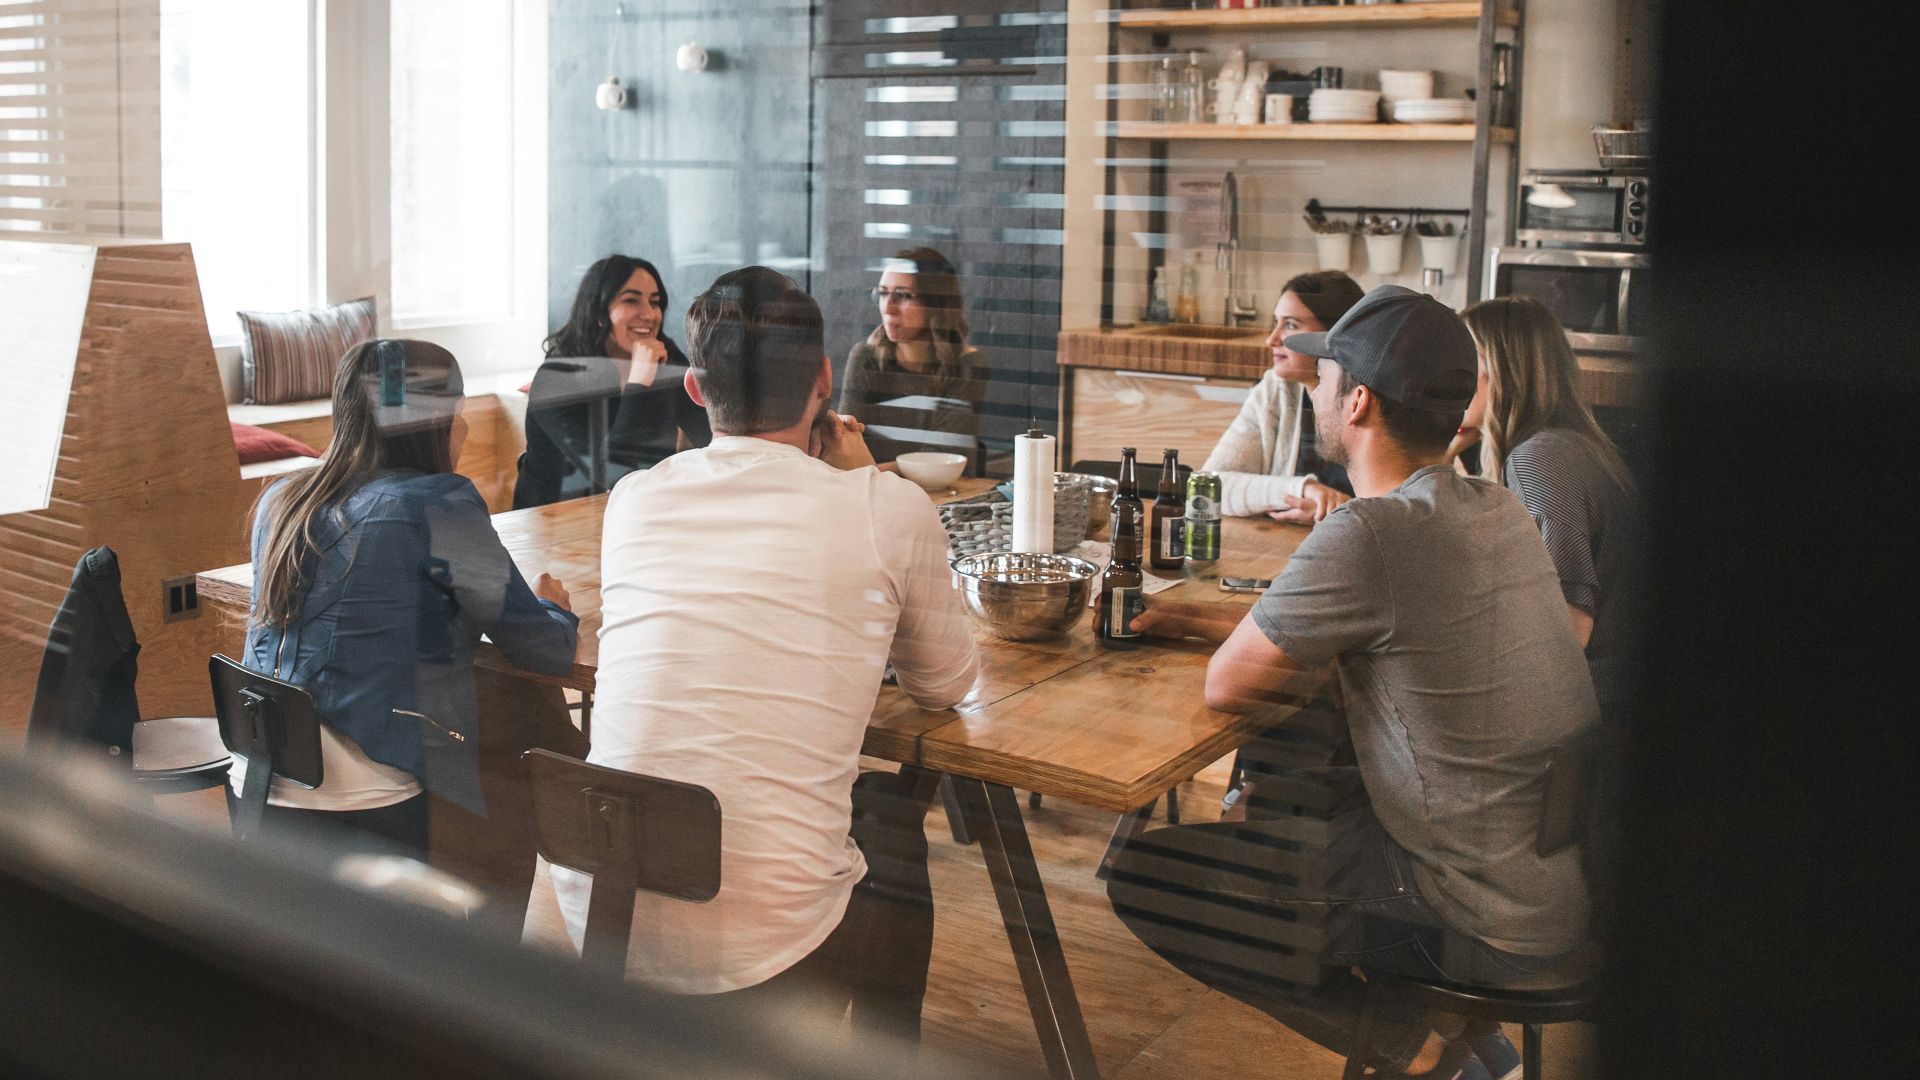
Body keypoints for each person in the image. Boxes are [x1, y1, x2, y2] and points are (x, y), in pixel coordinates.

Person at [1108, 286, 1600, 1080]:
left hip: (1468, 911)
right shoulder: (1492, 507)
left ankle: (1420, 1048)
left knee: (1152, 880)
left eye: (1330, 373)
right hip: (1548, 882)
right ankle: (1455, 1041)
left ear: (1359, 400)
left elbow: (1227, 688)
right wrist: (1196, 622)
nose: (1319, 387)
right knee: (1302, 792)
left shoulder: (1371, 531)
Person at [548, 267, 979, 1043]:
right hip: (767, 950)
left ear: (693, 389)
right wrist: (865, 483)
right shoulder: (887, 506)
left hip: (600, 913)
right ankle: (886, 1058)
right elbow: (946, 684)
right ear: (823, 381)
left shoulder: (636, 500)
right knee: (892, 828)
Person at [241, 339, 580, 859]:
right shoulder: (438, 505)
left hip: (263, 782)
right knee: (524, 724)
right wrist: (555, 606)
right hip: (365, 798)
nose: (463, 428)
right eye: (460, 413)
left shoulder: (280, 501)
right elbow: (544, 650)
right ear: (438, 420)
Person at [1461, 296, 1639, 723]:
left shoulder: (1539, 460)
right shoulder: (1568, 444)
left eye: (1458, 361)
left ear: (1496, 370)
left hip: (1593, 717)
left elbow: (1565, 630)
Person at [513, 255, 712, 508]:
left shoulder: (666, 357)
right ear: (598, 312)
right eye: (631, 300)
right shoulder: (557, 377)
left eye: (655, 302)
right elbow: (612, 473)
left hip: (638, 509)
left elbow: (712, 434)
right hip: (555, 520)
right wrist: (640, 383)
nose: (649, 314)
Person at [1200, 270, 1363, 524]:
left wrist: (1332, 513)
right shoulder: (1275, 390)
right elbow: (1208, 487)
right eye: (1275, 323)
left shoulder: (1373, 400)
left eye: (1290, 325)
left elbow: (1397, 509)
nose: (1271, 339)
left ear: (1334, 335)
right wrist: (1304, 490)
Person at [838, 247, 991, 466]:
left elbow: (942, 456)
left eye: (902, 296)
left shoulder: (968, 365)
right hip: (873, 491)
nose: (888, 308)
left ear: (934, 304)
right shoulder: (866, 357)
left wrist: (869, 473)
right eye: (882, 294)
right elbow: (845, 443)